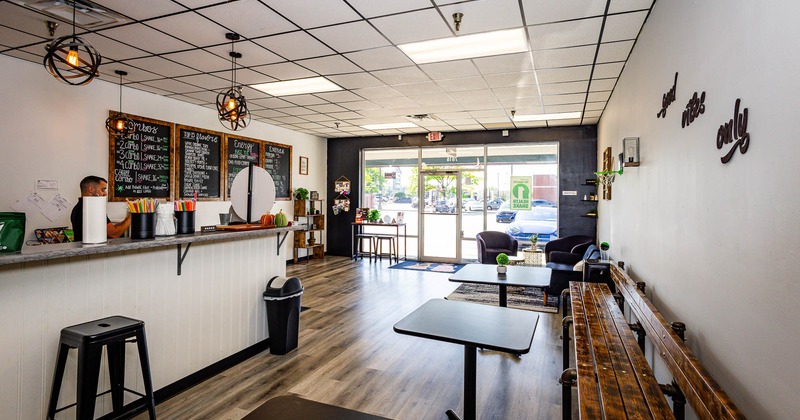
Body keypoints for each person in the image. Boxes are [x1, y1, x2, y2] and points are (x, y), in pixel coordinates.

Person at [70, 176, 131, 242]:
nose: (105, 193)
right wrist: (131, 217)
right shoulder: (93, 209)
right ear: (91, 189)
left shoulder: (77, 208)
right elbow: (113, 234)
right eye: (102, 190)